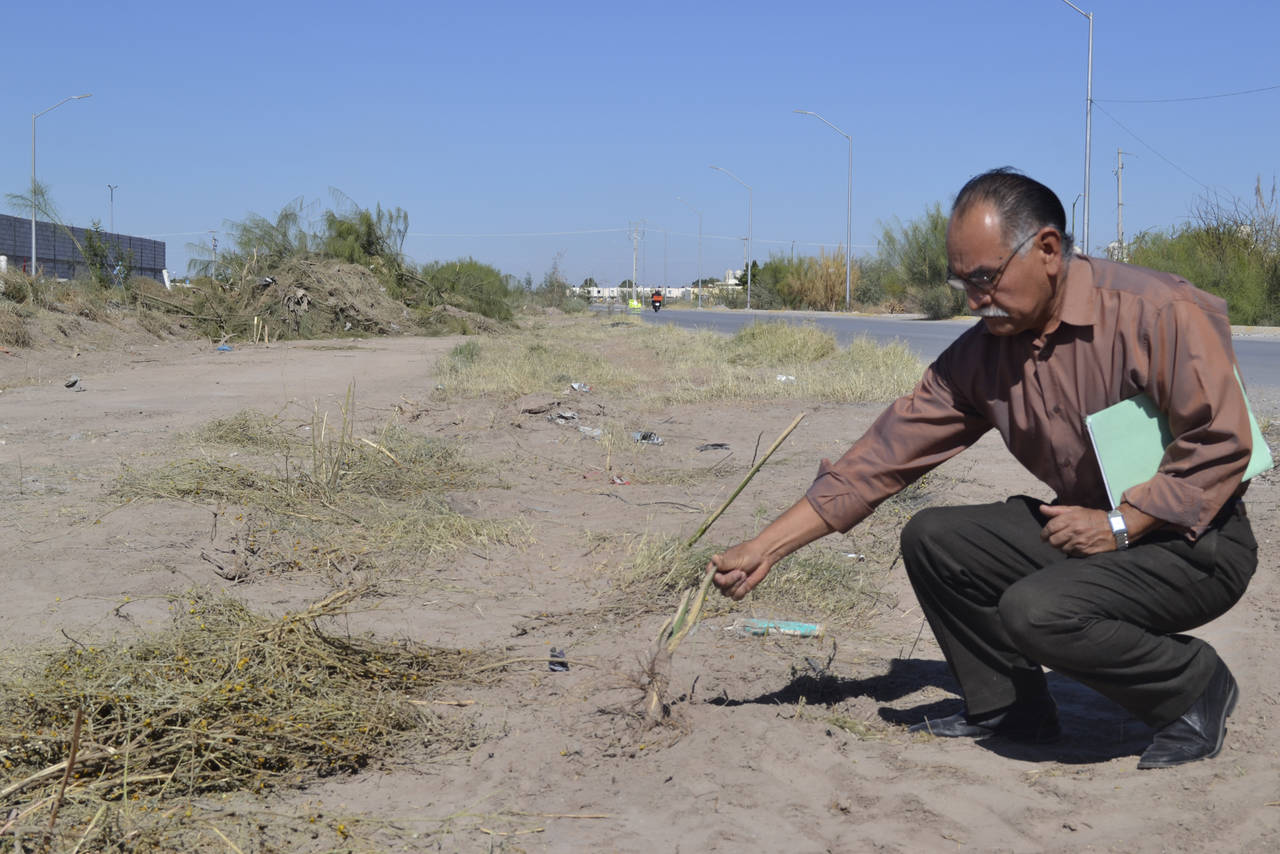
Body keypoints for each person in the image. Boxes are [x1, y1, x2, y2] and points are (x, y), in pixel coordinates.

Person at [710, 168, 1258, 770]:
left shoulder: (1156, 311)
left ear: (1047, 250)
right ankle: (1011, 708)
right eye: (962, 283)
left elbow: (1221, 441)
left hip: (1195, 541)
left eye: (985, 279)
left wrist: (1123, 522)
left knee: (1036, 610)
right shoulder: (982, 354)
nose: (973, 301)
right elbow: (881, 459)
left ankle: (1194, 686)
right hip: (1091, 529)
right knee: (935, 539)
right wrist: (766, 547)